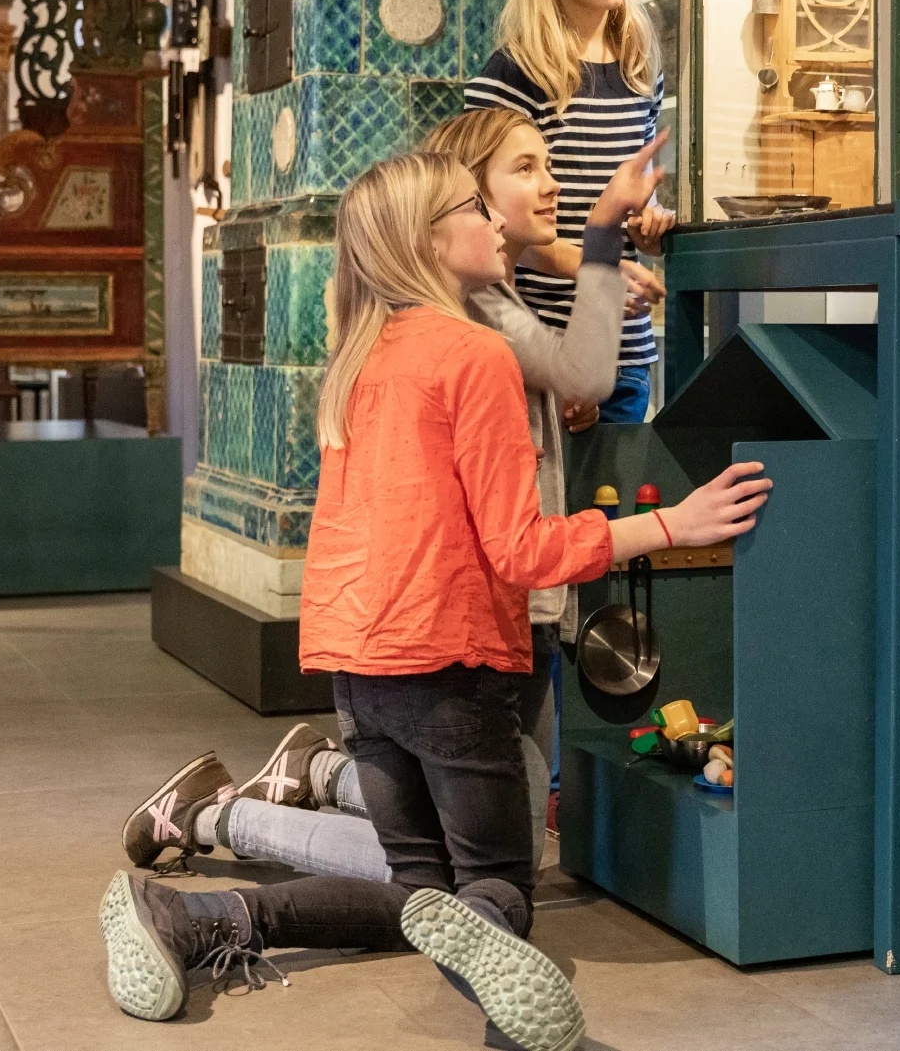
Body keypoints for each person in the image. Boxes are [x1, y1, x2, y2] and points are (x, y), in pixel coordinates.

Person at [99, 152, 770, 1051]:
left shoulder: (359, 357)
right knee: (497, 886)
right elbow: (522, 550)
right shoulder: (475, 354)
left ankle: (197, 918)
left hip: (355, 669)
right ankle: (511, 1012)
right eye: (473, 207)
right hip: (450, 666)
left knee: (413, 895)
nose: (495, 220)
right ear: (429, 238)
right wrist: (673, 525)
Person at [124, 110, 663, 882]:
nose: (548, 185)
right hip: (459, 628)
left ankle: (305, 780)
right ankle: (229, 812)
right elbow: (582, 377)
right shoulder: (469, 325)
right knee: (476, 853)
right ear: (440, 221)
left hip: (402, 637)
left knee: (466, 828)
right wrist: (604, 233)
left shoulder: (410, 326)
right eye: (519, 172)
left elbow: (565, 385)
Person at [465, 0, 676, 429]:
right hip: (548, 352)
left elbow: (628, 192)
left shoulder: (640, 64)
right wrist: (599, 267)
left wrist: (646, 224)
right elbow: (492, 227)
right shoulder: (510, 77)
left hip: (627, 353)